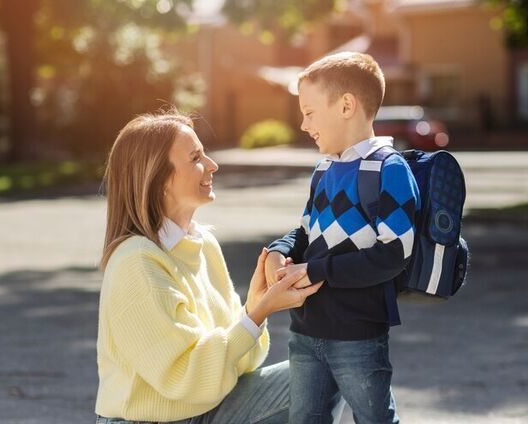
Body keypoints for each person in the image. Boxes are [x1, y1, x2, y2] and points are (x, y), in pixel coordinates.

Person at [95, 112, 323, 424]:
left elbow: (242, 365)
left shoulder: (202, 244)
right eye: (196, 158)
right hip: (150, 420)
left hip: (205, 409)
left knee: (326, 372)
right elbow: (184, 378)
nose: (212, 165)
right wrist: (256, 315)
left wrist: (253, 309)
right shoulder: (137, 262)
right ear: (159, 180)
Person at [264, 52, 421, 424]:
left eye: (310, 112)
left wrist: (315, 270)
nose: (303, 124)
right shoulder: (324, 170)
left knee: (374, 419)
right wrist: (280, 248)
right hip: (306, 332)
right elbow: (305, 230)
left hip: (358, 335)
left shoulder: (389, 169)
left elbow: (393, 255)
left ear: (347, 105)